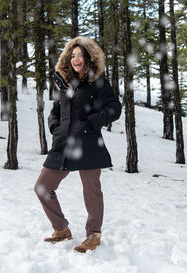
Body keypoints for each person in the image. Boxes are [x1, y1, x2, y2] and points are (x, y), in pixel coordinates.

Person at [34, 36, 122, 253]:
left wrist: (90, 124)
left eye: (80, 55)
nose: (76, 59)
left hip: (88, 141)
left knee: (91, 190)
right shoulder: (65, 84)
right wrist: (56, 128)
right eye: (72, 55)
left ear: (89, 57)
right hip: (63, 143)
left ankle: (93, 234)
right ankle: (61, 229)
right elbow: (55, 111)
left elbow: (114, 108)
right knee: (42, 187)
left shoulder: (97, 81)